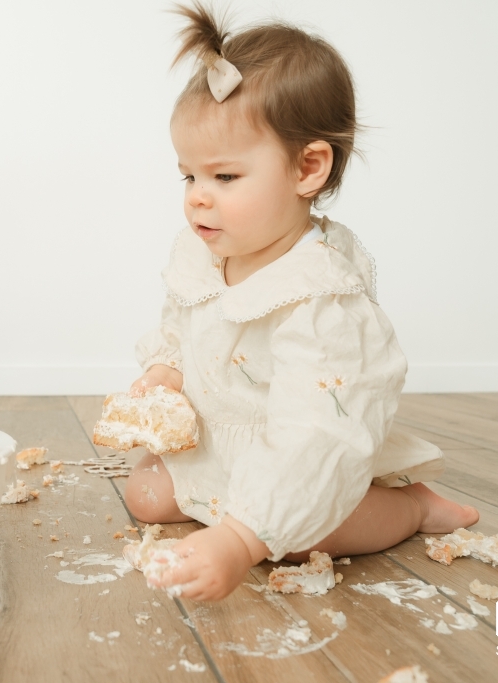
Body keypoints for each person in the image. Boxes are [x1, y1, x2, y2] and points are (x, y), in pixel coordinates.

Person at [124, 3, 479, 601]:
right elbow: (182, 323)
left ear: (308, 168)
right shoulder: (204, 254)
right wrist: (166, 370)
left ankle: (407, 509)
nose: (197, 200)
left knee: (290, 533)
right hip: (224, 440)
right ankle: (241, 512)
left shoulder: (321, 303)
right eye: (189, 177)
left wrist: (240, 540)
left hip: (306, 455)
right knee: (148, 496)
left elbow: (317, 433)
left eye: (225, 178)